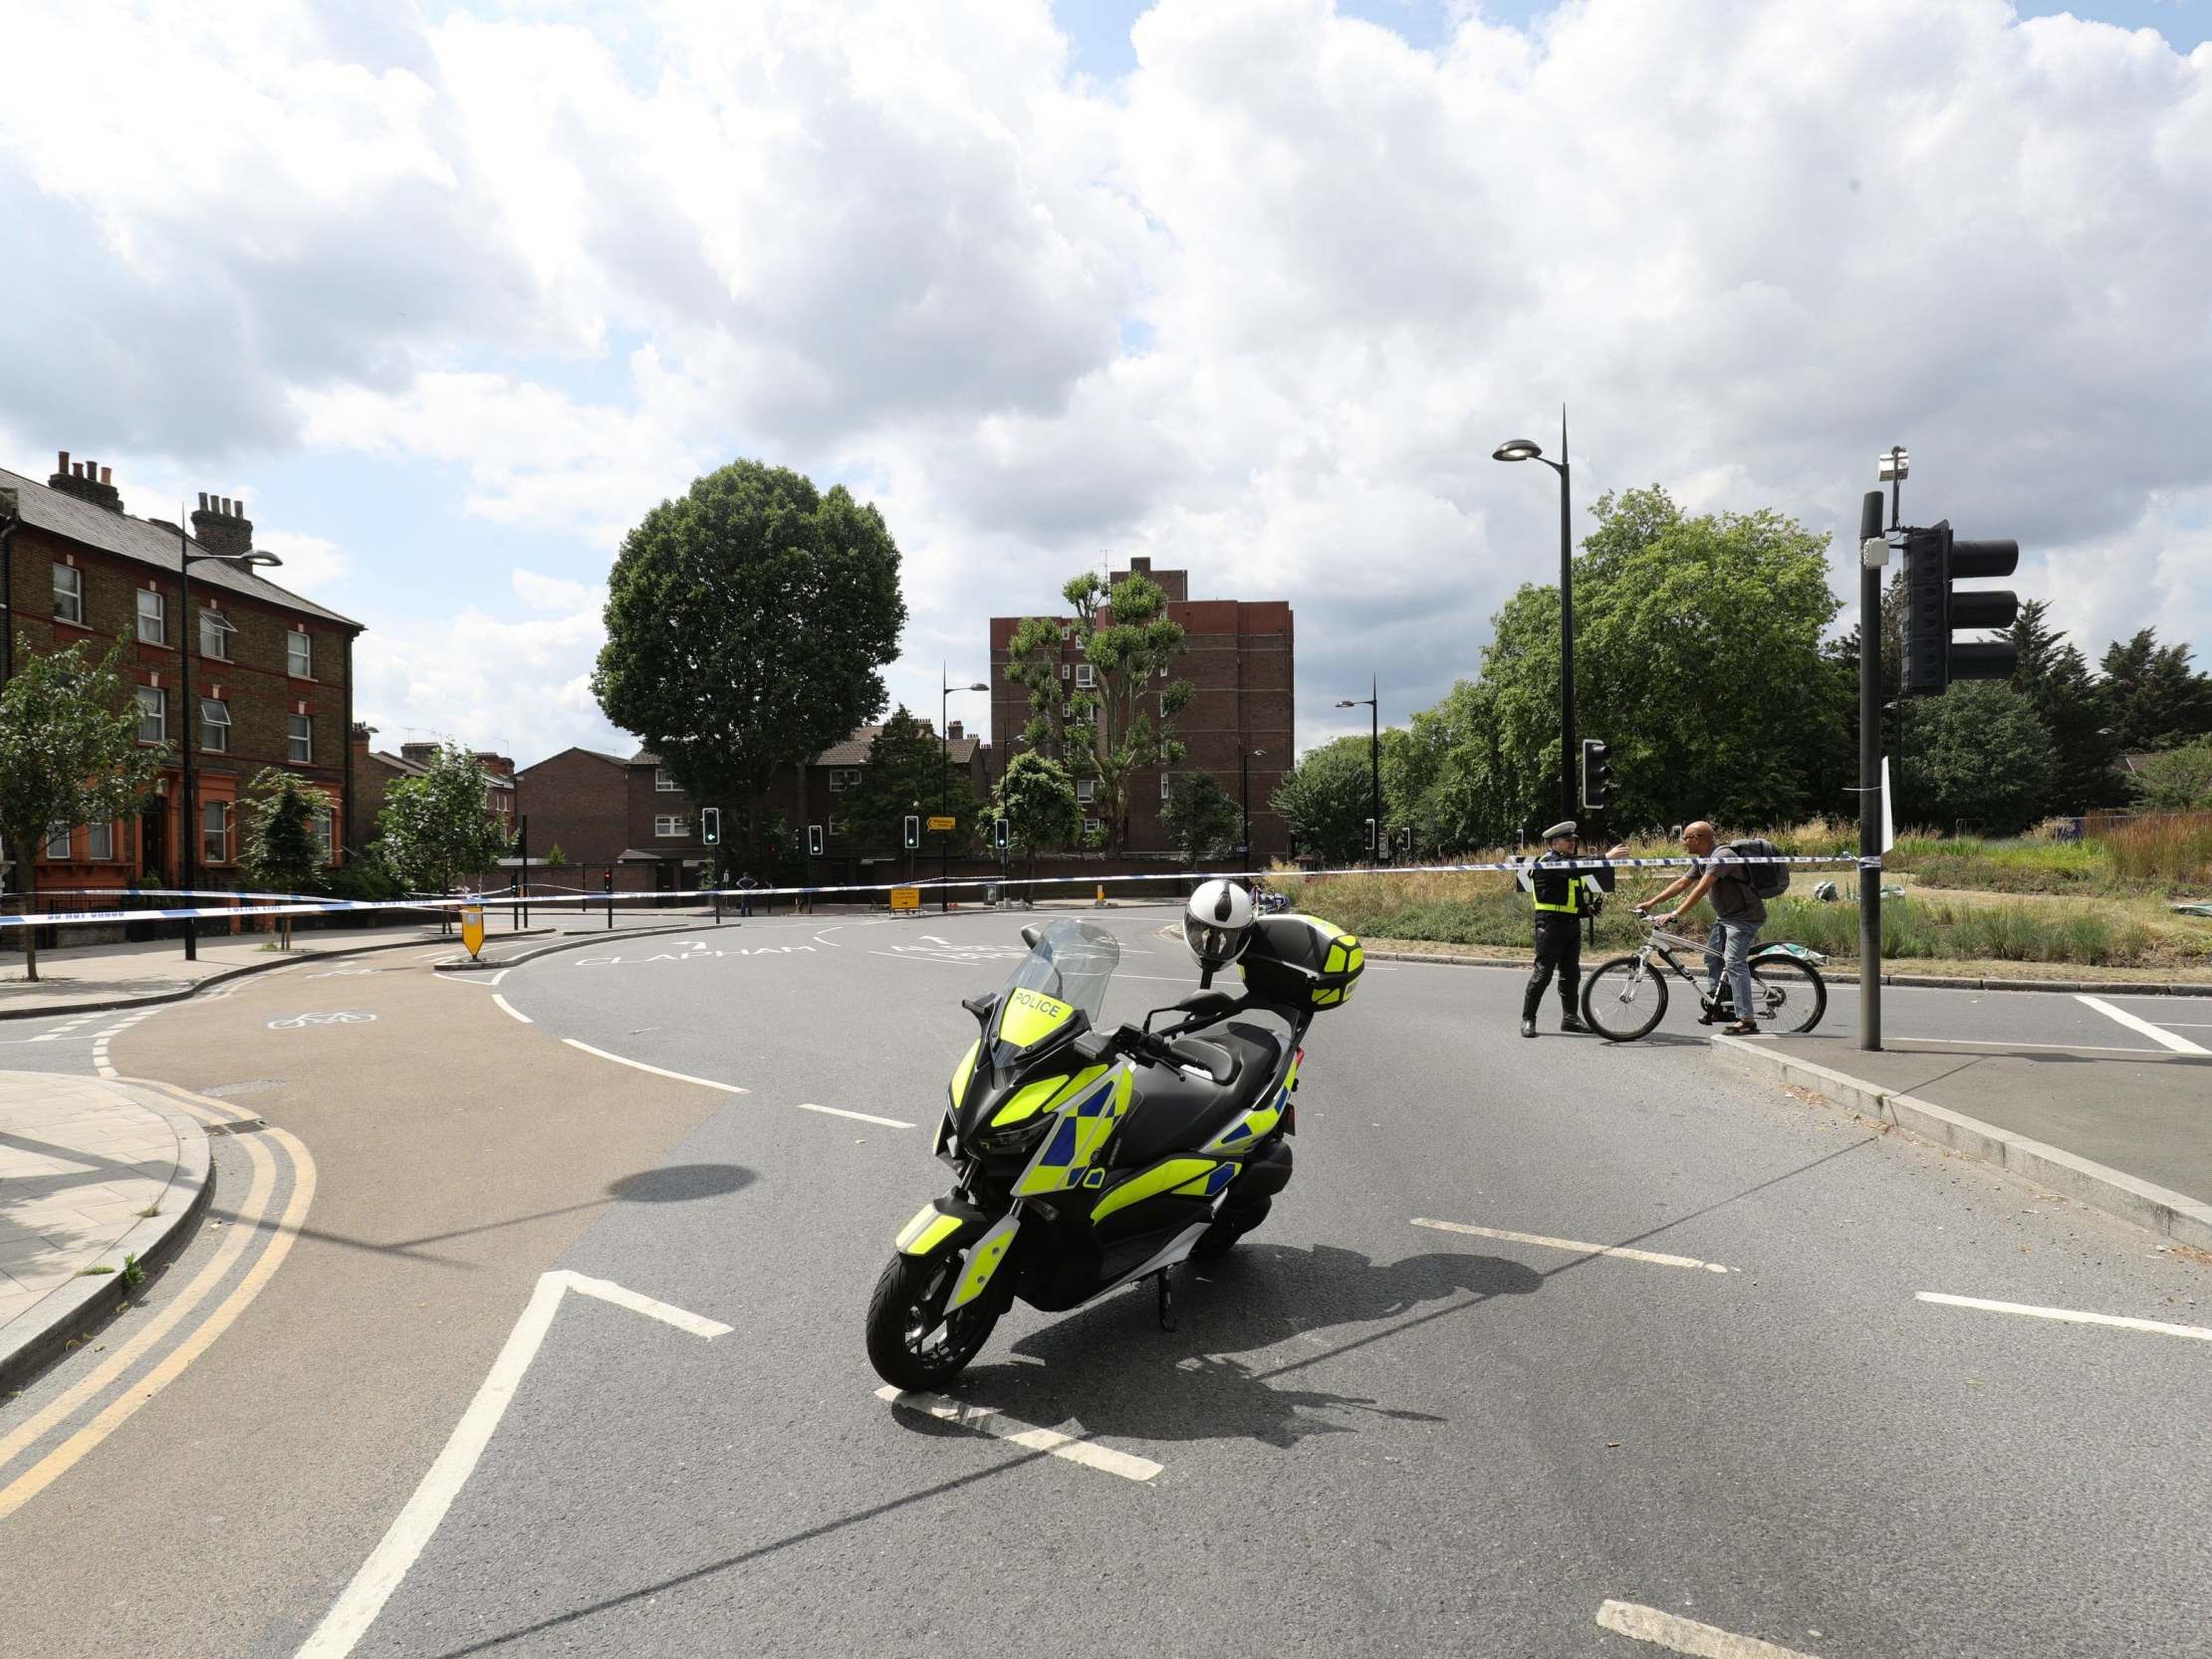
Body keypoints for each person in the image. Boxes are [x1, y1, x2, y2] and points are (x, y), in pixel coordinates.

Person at [1636, 821, 1763, 1037]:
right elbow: (1682, 883)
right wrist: (1651, 903)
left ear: (1697, 838)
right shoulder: (1703, 858)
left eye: (1685, 838)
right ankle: (1721, 1006)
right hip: (1725, 917)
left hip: (1744, 918)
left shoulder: (1722, 856)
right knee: (1712, 958)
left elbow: (1702, 888)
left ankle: (1747, 1019)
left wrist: (1675, 914)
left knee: (1733, 962)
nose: (1683, 842)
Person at [1518, 821, 1626, 1039]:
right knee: (1542, 974)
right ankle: (1528, 1019)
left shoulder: (1568, 863)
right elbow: (1577, 869)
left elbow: (1570, 897)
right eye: (1569, 841)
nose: (1573, 844)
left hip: (1570, 925)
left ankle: (1570, 1019)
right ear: (1555, 842)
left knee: (1571, 974)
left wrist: (1586, 910)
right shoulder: (1547, 862)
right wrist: (1605, 858)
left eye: (1574, 841)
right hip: (1550, 925)